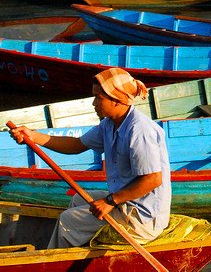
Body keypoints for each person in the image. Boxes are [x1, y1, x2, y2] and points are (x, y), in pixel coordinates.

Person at [9, 68, 172, 249]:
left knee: (67, 221)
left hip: (143, 217)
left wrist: (110, 201)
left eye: (98, 98)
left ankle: (54, 261)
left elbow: (153, 180)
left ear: (116, 100)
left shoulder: (139, 131)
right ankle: (78, 251)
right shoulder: (108, 125)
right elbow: (77, 145)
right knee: (78, 200)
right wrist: (33, 136)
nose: (93, 103)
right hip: (128, 204)